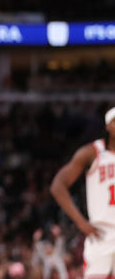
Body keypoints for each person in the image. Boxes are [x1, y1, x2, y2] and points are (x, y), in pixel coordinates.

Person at [50, 107, 115, 278]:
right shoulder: (92, 153)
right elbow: (58, 185)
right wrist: (80, 222)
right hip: (101, 234)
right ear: (108, 126)